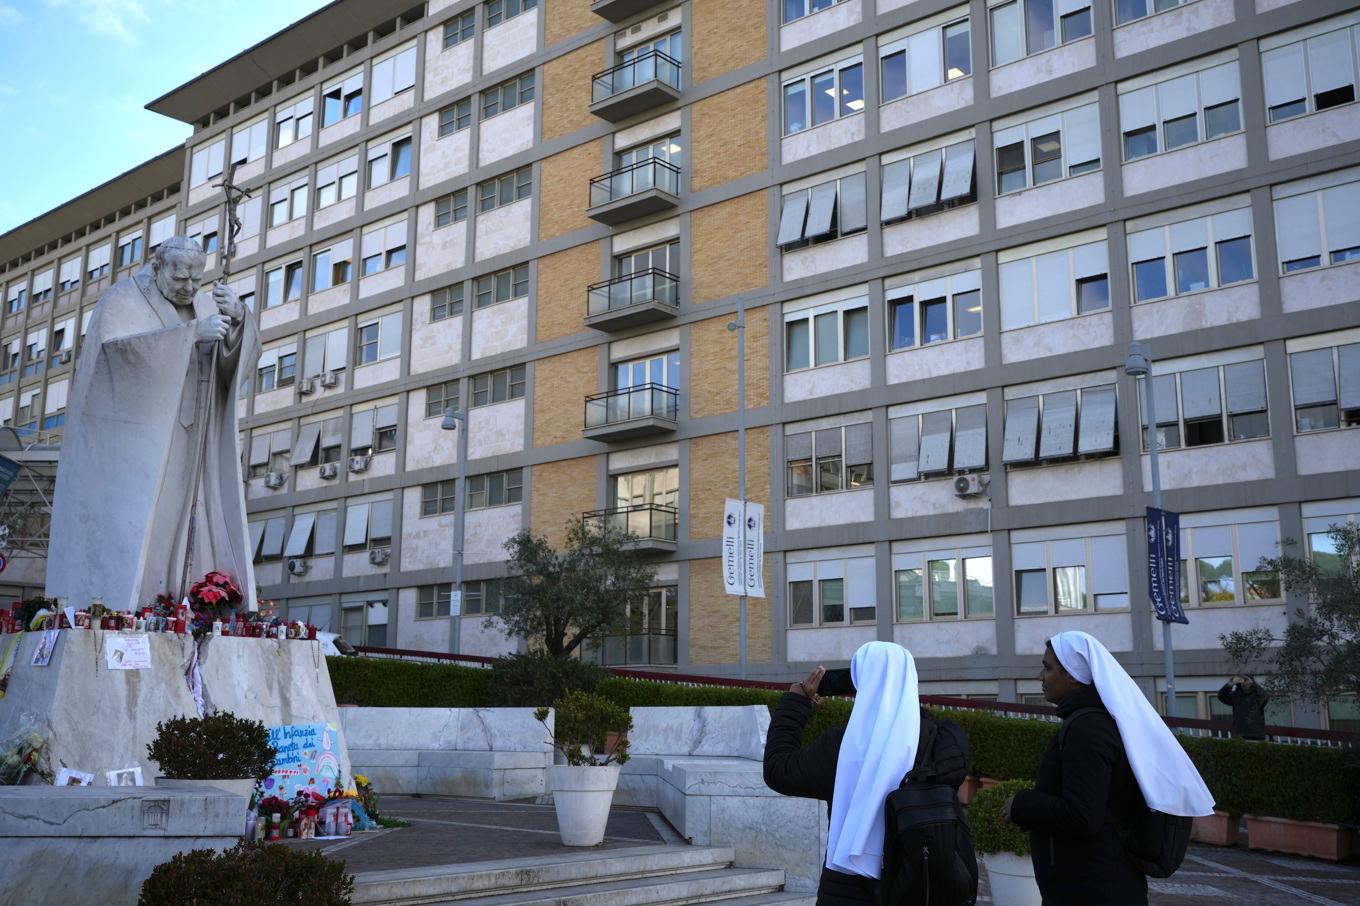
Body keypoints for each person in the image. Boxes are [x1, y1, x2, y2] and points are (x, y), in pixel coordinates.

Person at [48, 236, 260, 611]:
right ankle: (138, 603)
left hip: (197, 437)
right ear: (158, 267)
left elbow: (235, 370)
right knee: (149, 525)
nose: (190, 288)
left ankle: (192, 599)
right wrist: (191, 335)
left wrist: (239, 322)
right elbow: (113, 358)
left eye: (196, 279)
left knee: (198, 521)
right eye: (181, 280)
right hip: (144, 442)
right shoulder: (122, 299)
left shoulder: (206, 303)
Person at [1001, 632, 1214, 905]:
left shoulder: (1088, 729)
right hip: (1098, 883)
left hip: (1091, 888)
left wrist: (1021, 804)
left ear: (1074, 675)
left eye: (1048, 667)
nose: (1040, 676)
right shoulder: (1097, 722)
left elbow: (1082, 815)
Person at [763, 641, 969, 905]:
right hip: (920, 883)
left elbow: (778, 770)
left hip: (848, 891)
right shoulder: (941, 742)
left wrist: (796, 702)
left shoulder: (841, 748)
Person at [1218, 675, 1270, 740]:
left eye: (1246, 680)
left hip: (1256, 734)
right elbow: (1221, 696)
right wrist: (1228, 685)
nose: (1243, 683)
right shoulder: (1236, 696)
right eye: (1242, 681)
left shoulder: (1257, 696)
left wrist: (1253, 683)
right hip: (1239, 734)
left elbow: (1265, 696)